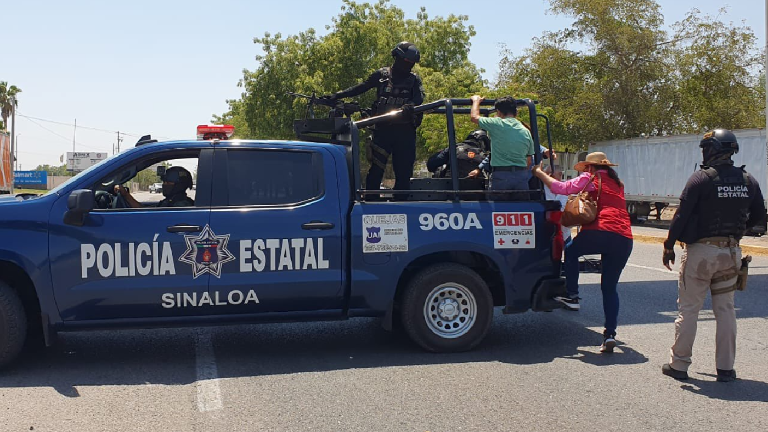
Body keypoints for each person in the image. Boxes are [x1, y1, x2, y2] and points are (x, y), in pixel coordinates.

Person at [660, 129, 766, 382]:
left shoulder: (701, 179)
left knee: (689, 310)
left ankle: (679, 365)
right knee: (726, 310)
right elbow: (761, 221)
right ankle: (726, 369)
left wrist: (668, 245)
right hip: (730, 252)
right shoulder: (749, 180)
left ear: (712, 149)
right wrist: (736, 233)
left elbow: (681, 215)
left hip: (700, 252)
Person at [532, 152, 633, 353]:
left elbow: (559, 188)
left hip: (601, 231)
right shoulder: (617, 183)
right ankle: (610, 335)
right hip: (624, 237)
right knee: (609, 288)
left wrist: (538, 173)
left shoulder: (591, 178)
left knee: (570, 251)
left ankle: (572, 294)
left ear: (589, 167)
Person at [322, 42, 425, 198]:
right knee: (376, 170)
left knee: (403, 171)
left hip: (405, 132)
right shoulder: (382, 75)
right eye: (407, 62)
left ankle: (402, 203)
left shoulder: (414, 80)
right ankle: (371, 201)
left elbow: (419, 98)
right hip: (383, 131)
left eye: (412, 63)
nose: (409, 66)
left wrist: (410, 106)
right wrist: (338, 95)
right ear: (397, 57)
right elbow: (361, 87)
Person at [468, 96, 535, 195]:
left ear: (498, 112)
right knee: (521, 207)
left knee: (498, 208)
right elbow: (529, 161)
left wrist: (476, 101)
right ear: (516, 112)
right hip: (521, 177)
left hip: (501, 176)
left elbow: (474, 117)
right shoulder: (526, 131)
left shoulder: (497, 123)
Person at [115, 166, 195, 208]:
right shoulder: (171, 201)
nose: (164, 185)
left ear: (179, 185)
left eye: (168, 182)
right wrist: (125, 195)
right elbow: (143, 210)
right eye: (164, 182)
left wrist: (126, 195)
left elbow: (146, 215)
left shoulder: (180, 205)